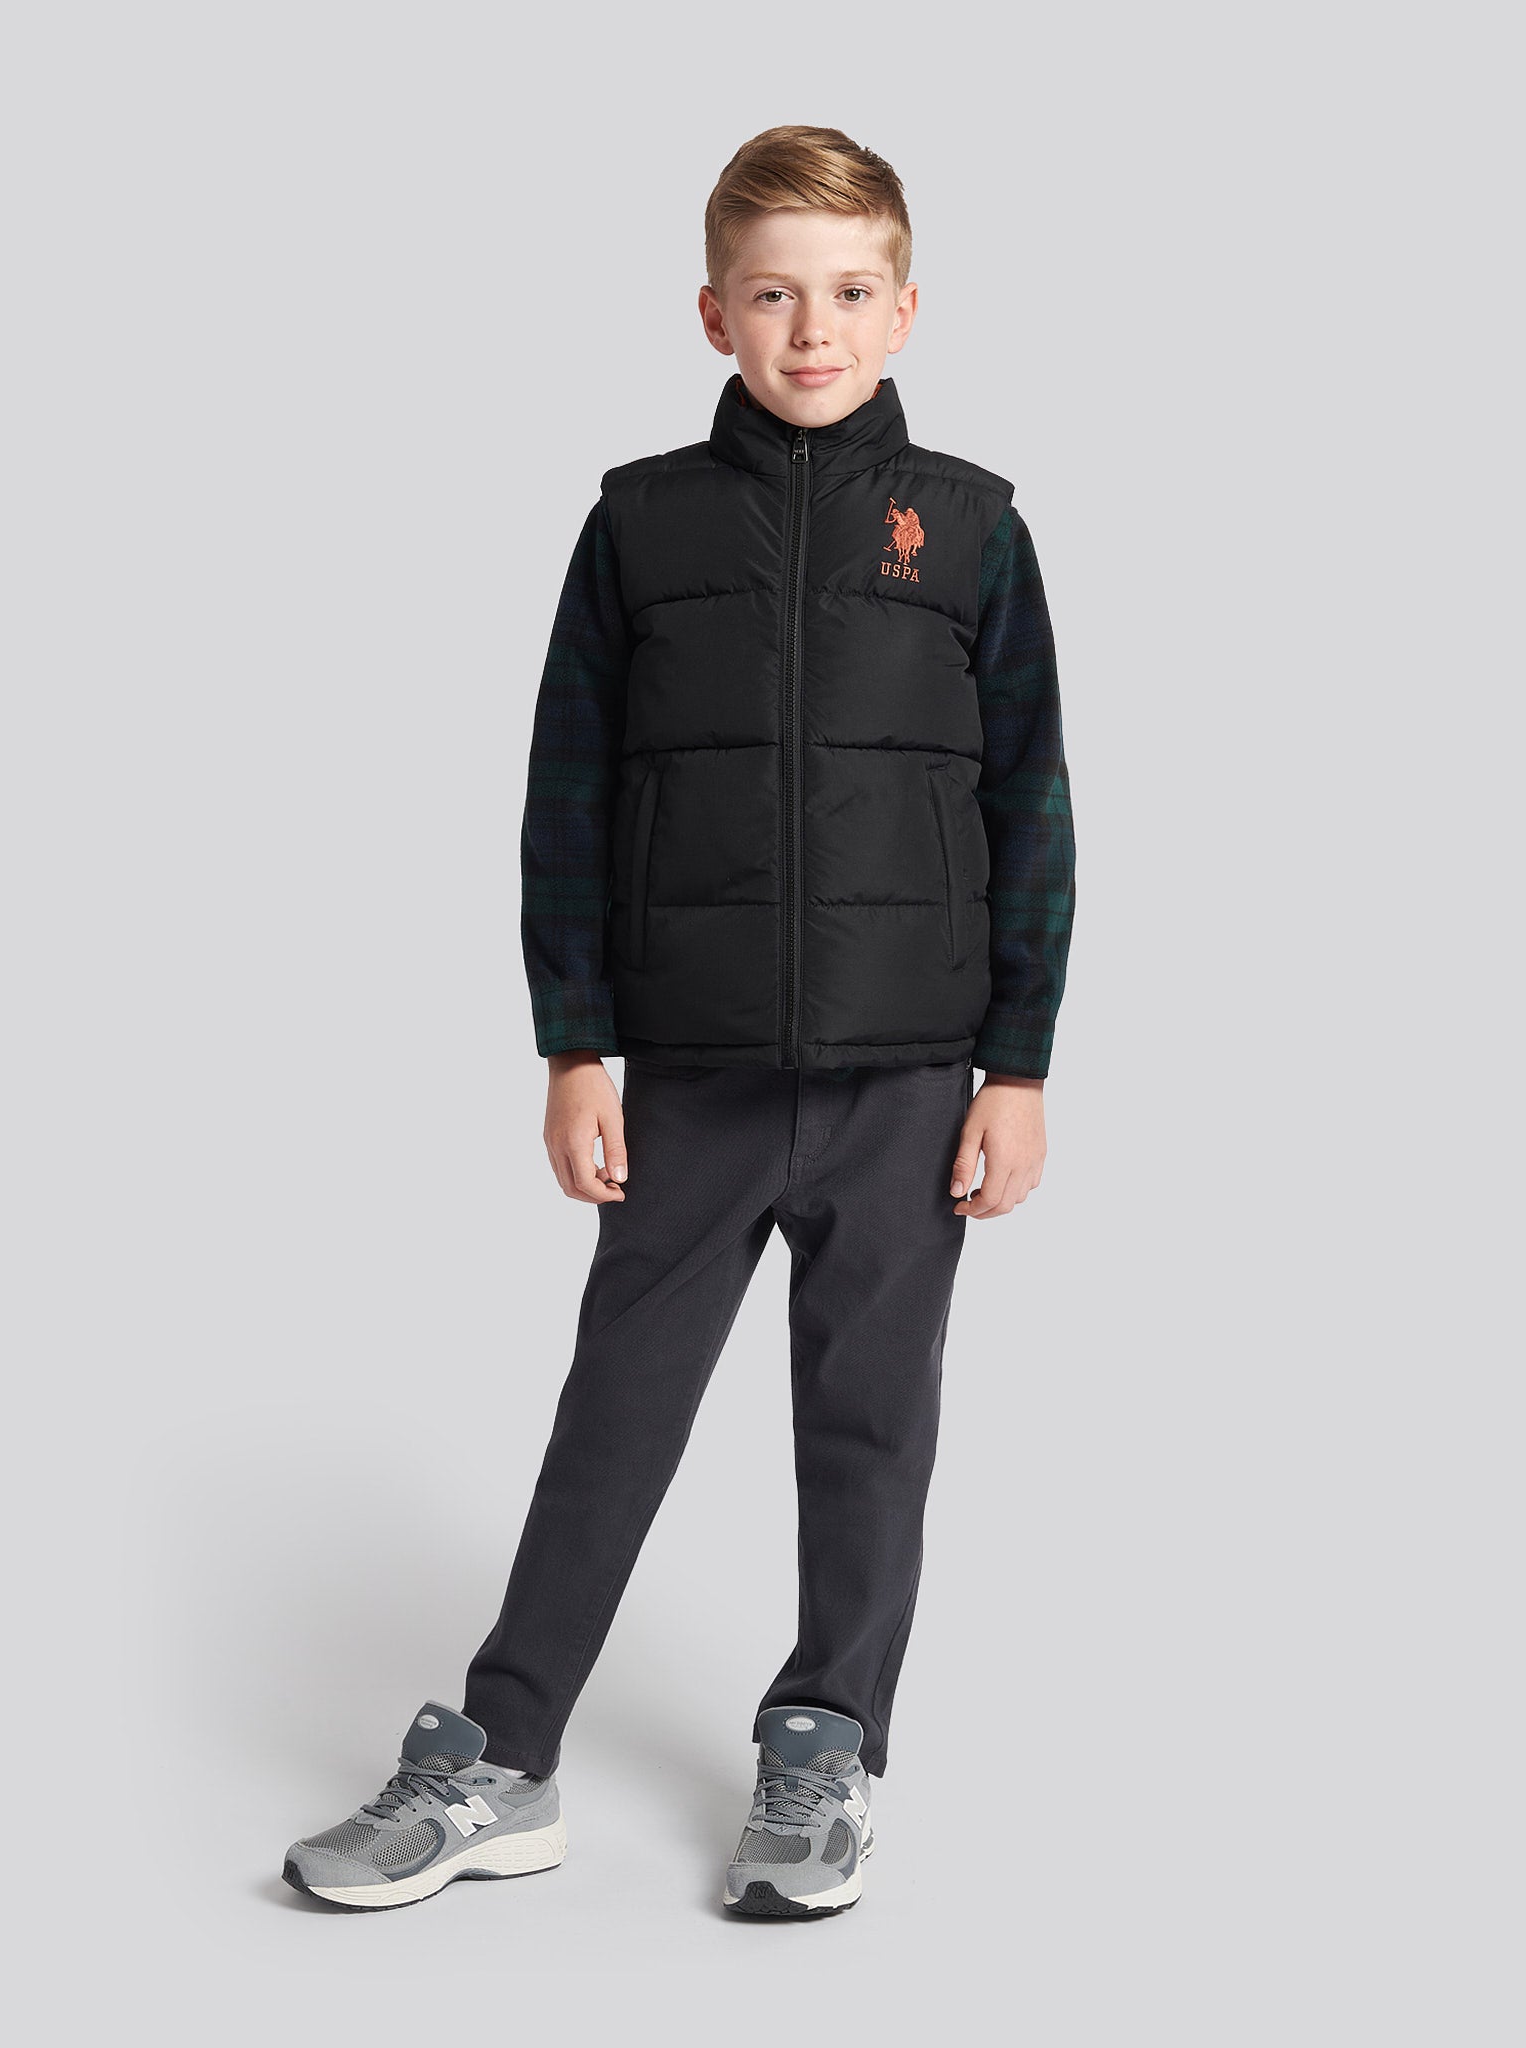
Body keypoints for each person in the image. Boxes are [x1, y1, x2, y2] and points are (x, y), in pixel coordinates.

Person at [282, 122, 1076, 1920]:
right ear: (713, 312)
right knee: (616, 1413)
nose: (815, 328)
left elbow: (1032, 805)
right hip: (692, 1077)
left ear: (907, 308)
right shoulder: (638, 523)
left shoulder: (970, 526)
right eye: (774, 294)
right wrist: (575, 1044)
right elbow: (567, 795)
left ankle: (827, 1743)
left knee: (870, 1423)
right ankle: (502, 1758)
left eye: (851, 291)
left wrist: (1016, 1068)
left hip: (907, 1082)